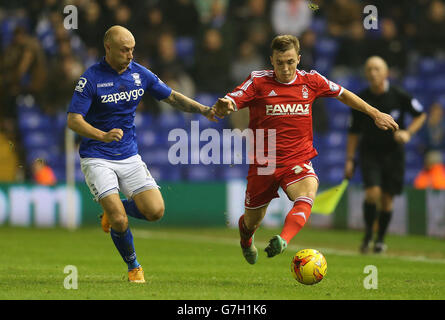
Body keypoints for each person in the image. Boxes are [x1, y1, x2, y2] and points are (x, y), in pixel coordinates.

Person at [212, 35, 399, 264]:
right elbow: (234, 98)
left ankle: (283, 240)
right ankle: (246, 240)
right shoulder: (258, 81)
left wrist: (375, 113)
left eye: (290, 61)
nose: (285, 68)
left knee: (308, 192)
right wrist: (227, 104)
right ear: (271, 60)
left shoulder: (311, 81)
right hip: (264, 164)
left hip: (296, 160)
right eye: (280, 62)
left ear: (298, 59)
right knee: (252, 221)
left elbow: (343, 94)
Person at [67, 25, 217, 283]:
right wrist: (102, 135)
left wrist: (203, 109)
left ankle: (111, 214)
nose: (130, 55)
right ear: (108, 48)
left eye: (132, 49)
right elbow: (73, 120)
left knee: (156, 211)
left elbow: (172, 97)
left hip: (128, 155)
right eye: (124, 50)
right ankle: (133, 266)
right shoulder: (91, 78)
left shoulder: (139, 73)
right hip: (97, 156)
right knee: (119, 219)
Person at [344, 56, 426, 254]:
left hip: (393, 153)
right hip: (369, 151)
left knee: (387, 199)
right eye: (369, 69)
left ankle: (380, 240)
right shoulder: (361, 100)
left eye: (377, 69)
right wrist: (349, 159)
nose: (373, 72)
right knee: (372, 193)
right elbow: (354, 132)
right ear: (365, 73)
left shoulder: (399, 95)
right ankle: (367, 235)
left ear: (386, 72)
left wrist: (408, 133)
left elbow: (420, 115)